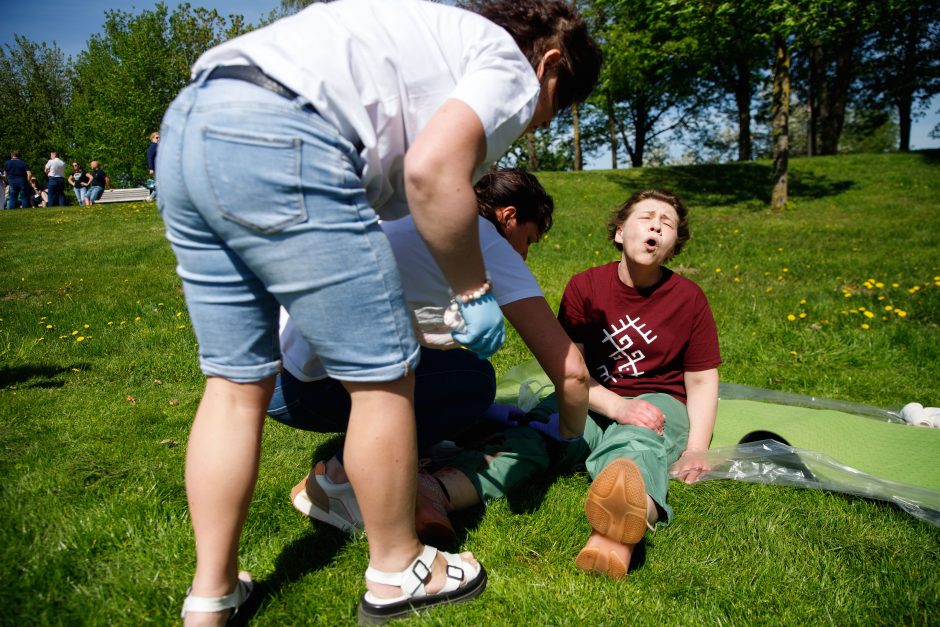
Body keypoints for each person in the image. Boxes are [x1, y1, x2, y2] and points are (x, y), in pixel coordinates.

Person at [155, 1, 601, 624]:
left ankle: (212, 594)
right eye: (551, 107)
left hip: (189, 128)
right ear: (550, 65)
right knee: (384, 378)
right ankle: (400, 569)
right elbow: (431, 171)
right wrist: (473, 293)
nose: (532, 124)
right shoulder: (506, 61)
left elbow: (400, 189)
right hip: (288, 135)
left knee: (235, 385)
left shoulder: (426, 42)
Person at [268, 168, 589, 546]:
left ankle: (403, 454)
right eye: (529, 239)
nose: (525, 253)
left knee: (460, 372)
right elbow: (572, 372)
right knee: (476, 381)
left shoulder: (413, 209)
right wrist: (569, 437)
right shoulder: (487, 238)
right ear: (509, 216)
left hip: (273, 378)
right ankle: (338, 480)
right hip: (310, 386)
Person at [418, 189, 721, 580]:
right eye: (647, 217)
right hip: (590, 398)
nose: (657, 227)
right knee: (532, 437)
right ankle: (437, 494)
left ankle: (617, 534)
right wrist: (611, 405)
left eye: (668, 225)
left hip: (656, 400)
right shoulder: (585, 287)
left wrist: (697, 448)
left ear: (673, 247)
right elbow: (570, 369)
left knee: (637, 441)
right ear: (618, 232)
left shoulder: (689, 299)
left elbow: (700, 379)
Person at [146, 131, 159, 201]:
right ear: (152, 138)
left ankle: (151, 197)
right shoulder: (153, 146)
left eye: (159, 137)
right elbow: (149, 157)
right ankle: (151, 197)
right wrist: (151, 168)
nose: (159, 139)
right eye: (157, 137)